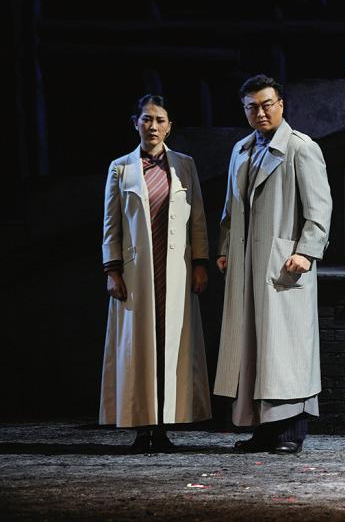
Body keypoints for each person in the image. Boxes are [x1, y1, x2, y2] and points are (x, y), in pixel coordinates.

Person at [213, 75, 333, 454]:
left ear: (281, 104)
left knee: (286, 350)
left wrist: (307, 252)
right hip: (248, 264)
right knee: (254, 349)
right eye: (252, 107)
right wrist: (225, 248)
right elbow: (231, 207)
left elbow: (320, 209)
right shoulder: (242, 150)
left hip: (283, 263)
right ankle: (262, 430)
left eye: (267, 104)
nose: (261, 112)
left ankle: (291, 432)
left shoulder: (300, 148)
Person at [100, 95, 211, 453]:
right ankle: (141, 427)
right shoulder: (121, 168)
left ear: (169, 127)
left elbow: (197, 219)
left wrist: (200, 263)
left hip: (175, 270)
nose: (153, 126)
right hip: (137, 273)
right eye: (147, 119)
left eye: (160, 120)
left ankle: (164, 427)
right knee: (139, 349)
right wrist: (112, 269)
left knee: (171, 346)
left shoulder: (184, 165)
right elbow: (111, 224)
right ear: (136, 123)